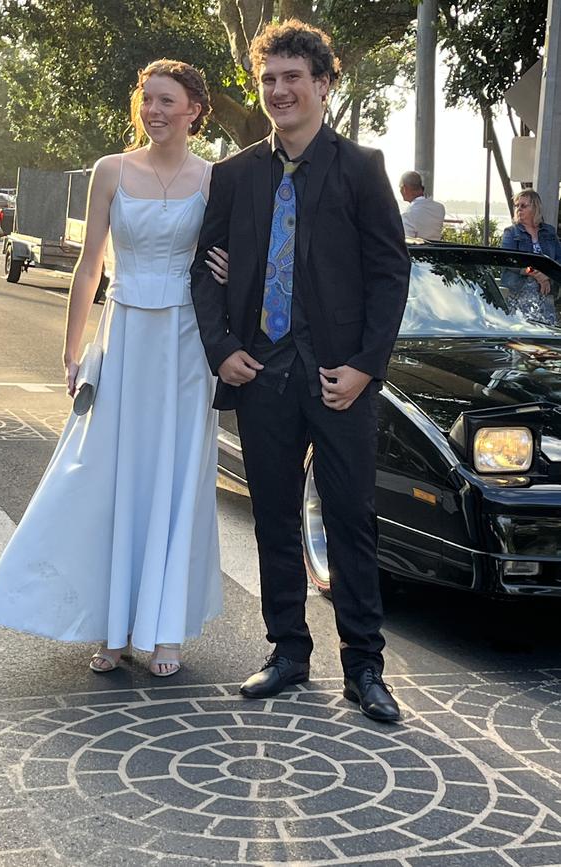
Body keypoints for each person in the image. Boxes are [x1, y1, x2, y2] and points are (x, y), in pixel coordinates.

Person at [0, 59, 228, 677]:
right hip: (122, 337)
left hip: (187, 344)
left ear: (194, 110)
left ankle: (165, 631)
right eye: (147, 101)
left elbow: (226, 257)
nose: (155, 112)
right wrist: (72, 351)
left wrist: (226, 271)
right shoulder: (110, 171)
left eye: (168, 101)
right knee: (109, 473)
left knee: (175, 477)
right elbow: (90, 264)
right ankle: (110, 627)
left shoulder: (216, 179)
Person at [191, 20, 410, 722]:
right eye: (270, 79)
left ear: (323, 85)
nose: (280, 90)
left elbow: (389, 274)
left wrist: (367, 369)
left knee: (350, 519)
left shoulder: (362, 168)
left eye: (294, 78)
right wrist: (222, 345)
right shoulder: (234, 175)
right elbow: (203, 271)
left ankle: (365, 666)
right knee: (275, 521)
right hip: (262, 374)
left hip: (339, 378)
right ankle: (288, 649)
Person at [501, 188, 560, 326]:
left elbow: (559, 259)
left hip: (546, 292)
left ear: (535, 208)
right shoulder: (511, 232)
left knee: (547, 333)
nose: (518, 209)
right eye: (517, 206)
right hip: (520, 291)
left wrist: (548, 275)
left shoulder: (549, 232)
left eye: (523, 205)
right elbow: (508, 260)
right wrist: (535, 274)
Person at [399, 170, 445, 241]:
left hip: (418, 251)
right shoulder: (440, 208)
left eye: (400, 187)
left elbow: (407, 242)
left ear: (404, 189)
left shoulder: (408, 215)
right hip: (436, 250)